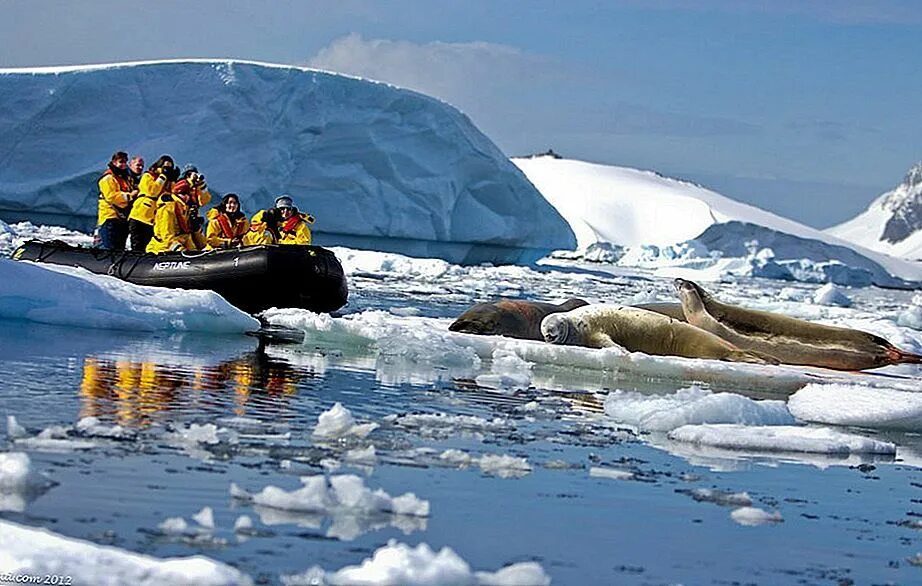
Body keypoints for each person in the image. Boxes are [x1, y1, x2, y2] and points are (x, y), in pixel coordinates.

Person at [128, 155, 177, 252]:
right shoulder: (148, 176)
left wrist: (173, 180)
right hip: (140, 215)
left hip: (153, 220)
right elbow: (152, 191)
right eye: (165, 166)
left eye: (169, 167)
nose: (167, 169)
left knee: (147, 244)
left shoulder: (168, 182)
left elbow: (172, 195)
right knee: (138, 244)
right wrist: (162, 176)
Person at [146, 179, 206, 253]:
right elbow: (167, 236)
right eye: (183, 194)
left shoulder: (187, 210)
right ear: (176, 194)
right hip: (163, 249)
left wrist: (196, 229)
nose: (186, 197)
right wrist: (181, 250)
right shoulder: (167, 209)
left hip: (185, 246)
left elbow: (202, 245)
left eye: (188, 194)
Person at [96, 151, 138, 250]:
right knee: (109, 246)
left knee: (119, 247)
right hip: (110, 216)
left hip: (122, 218)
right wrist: (130, 196)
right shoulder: (108, 178)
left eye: (125, 162)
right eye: (121, 162)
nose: (123, 164)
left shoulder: (125, 178)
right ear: (114, 162)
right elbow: (111, 196)